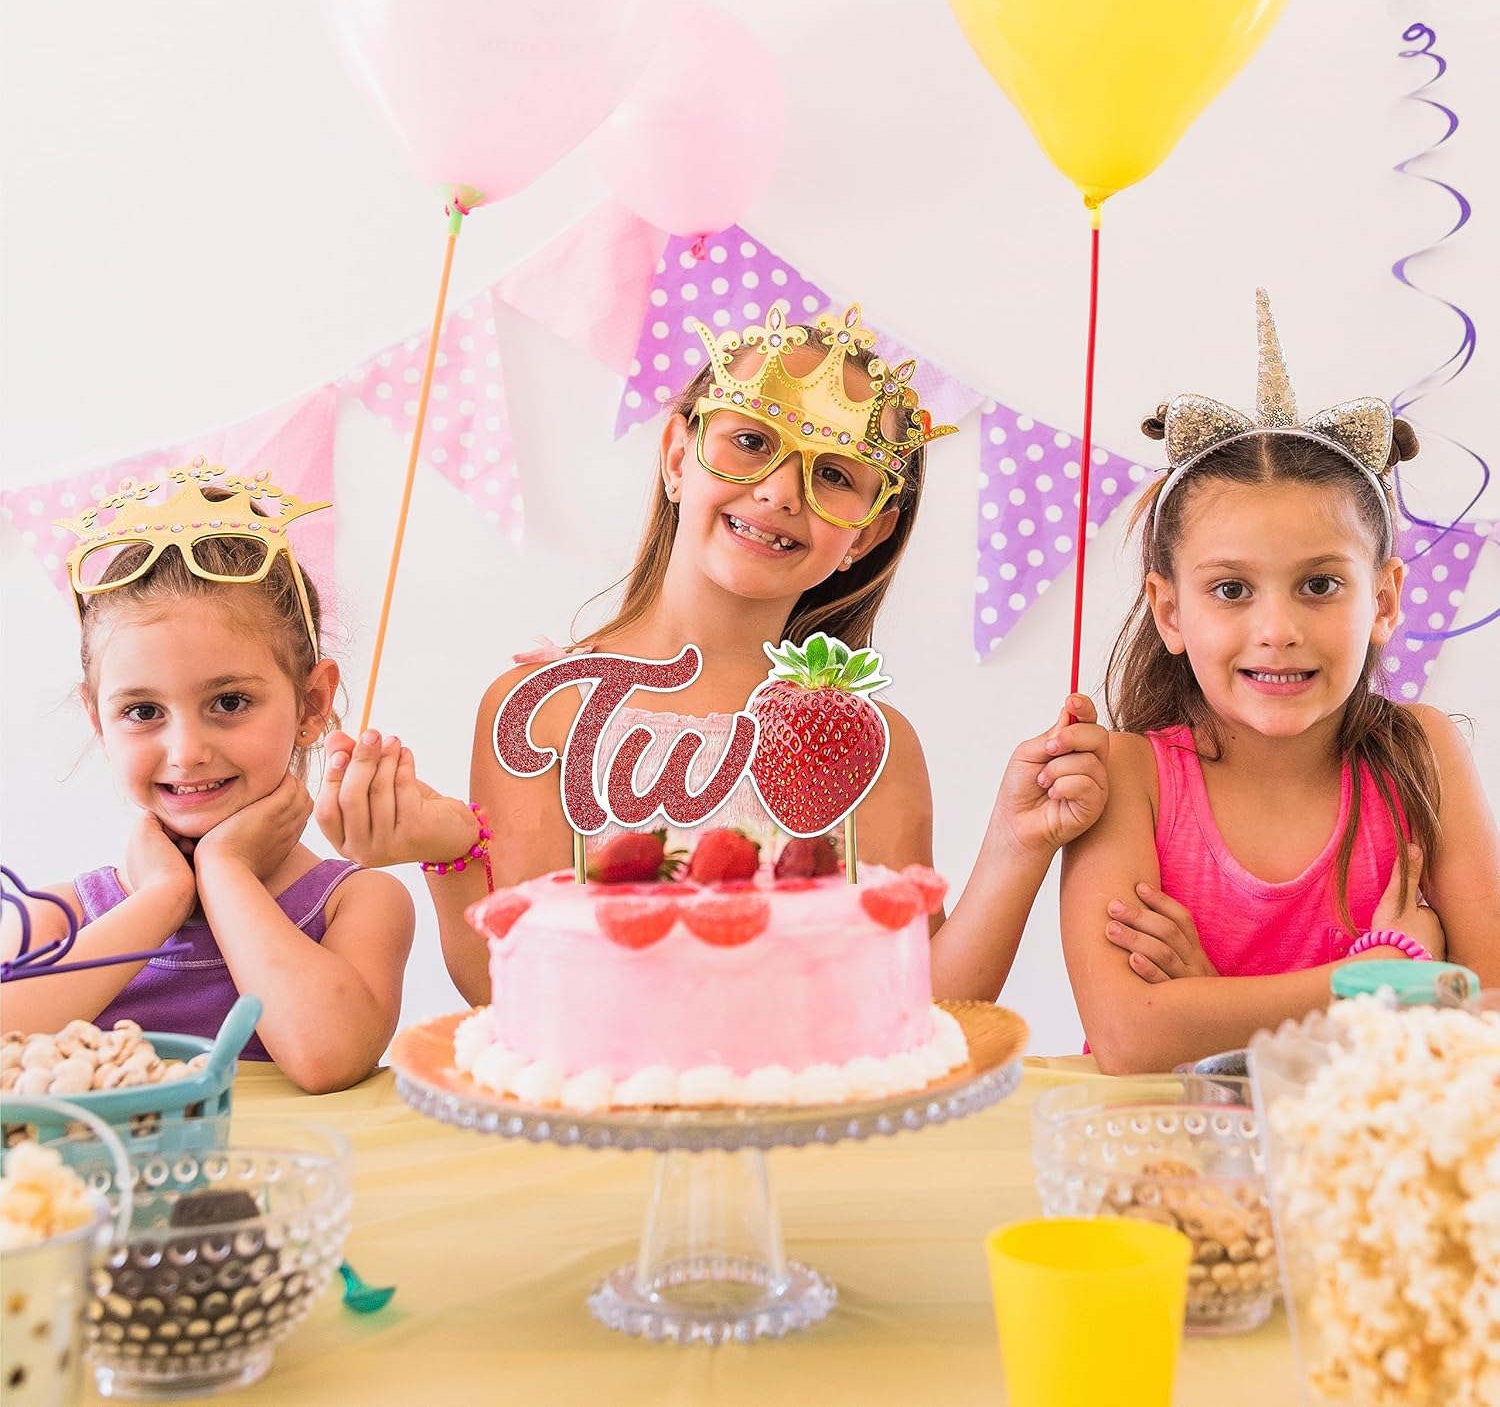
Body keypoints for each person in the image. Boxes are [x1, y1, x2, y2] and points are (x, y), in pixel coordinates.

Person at [316, 302, 1108, 1006]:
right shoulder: (544, 708)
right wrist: (450, 848)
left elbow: (921, 997)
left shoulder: (863, 744)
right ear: (675, 455)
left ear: (866, 534)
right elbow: (507, 981)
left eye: (834, 473)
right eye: (751, 440)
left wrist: (1016, 844)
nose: (780, 491)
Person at [1062, 291, 1500, 1073]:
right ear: (1170, 610)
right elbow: (1132, 1036)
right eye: (1232, 589)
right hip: (1167, 1143)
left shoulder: (1422, 754)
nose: (1277, 629)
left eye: (1319, 585)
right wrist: (1378, 982)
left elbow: (1489, 1004)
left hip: (1362, 1144)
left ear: (1385, 599)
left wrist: (1211, 1002)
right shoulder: (1128, 776)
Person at [0, 462, 414, 1093]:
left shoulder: (355, 905)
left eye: (229, 702)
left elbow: (327, 1058)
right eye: (143, 712)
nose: (187, 752)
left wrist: (225, 872)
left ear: (311, 704)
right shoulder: (61, 920)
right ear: (98, 720)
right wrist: (162, 899)